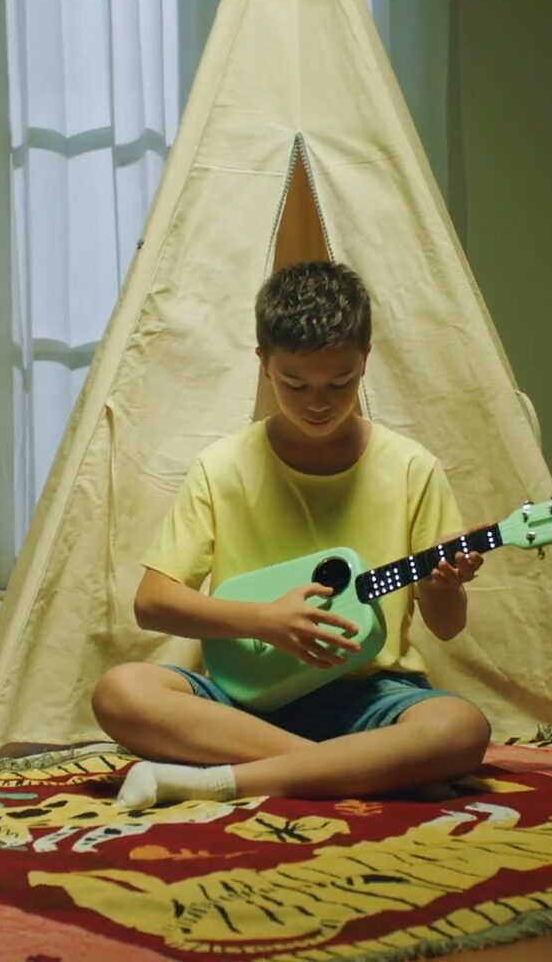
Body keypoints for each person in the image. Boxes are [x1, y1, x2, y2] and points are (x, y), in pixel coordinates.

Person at [91, 259, 494, 809]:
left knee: (461, 727)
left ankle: (214, 782)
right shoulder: (222, 466)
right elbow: (152, 603)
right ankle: (354, 769)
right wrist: (265, 621)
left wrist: (444, 584)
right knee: (120, 692)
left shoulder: (411, 468)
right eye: (295, 383)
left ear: (365, 359)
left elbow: (446, 627)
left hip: (368, 695)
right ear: (263, 362)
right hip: (247, 700)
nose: (318, 402)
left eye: (340, 382)